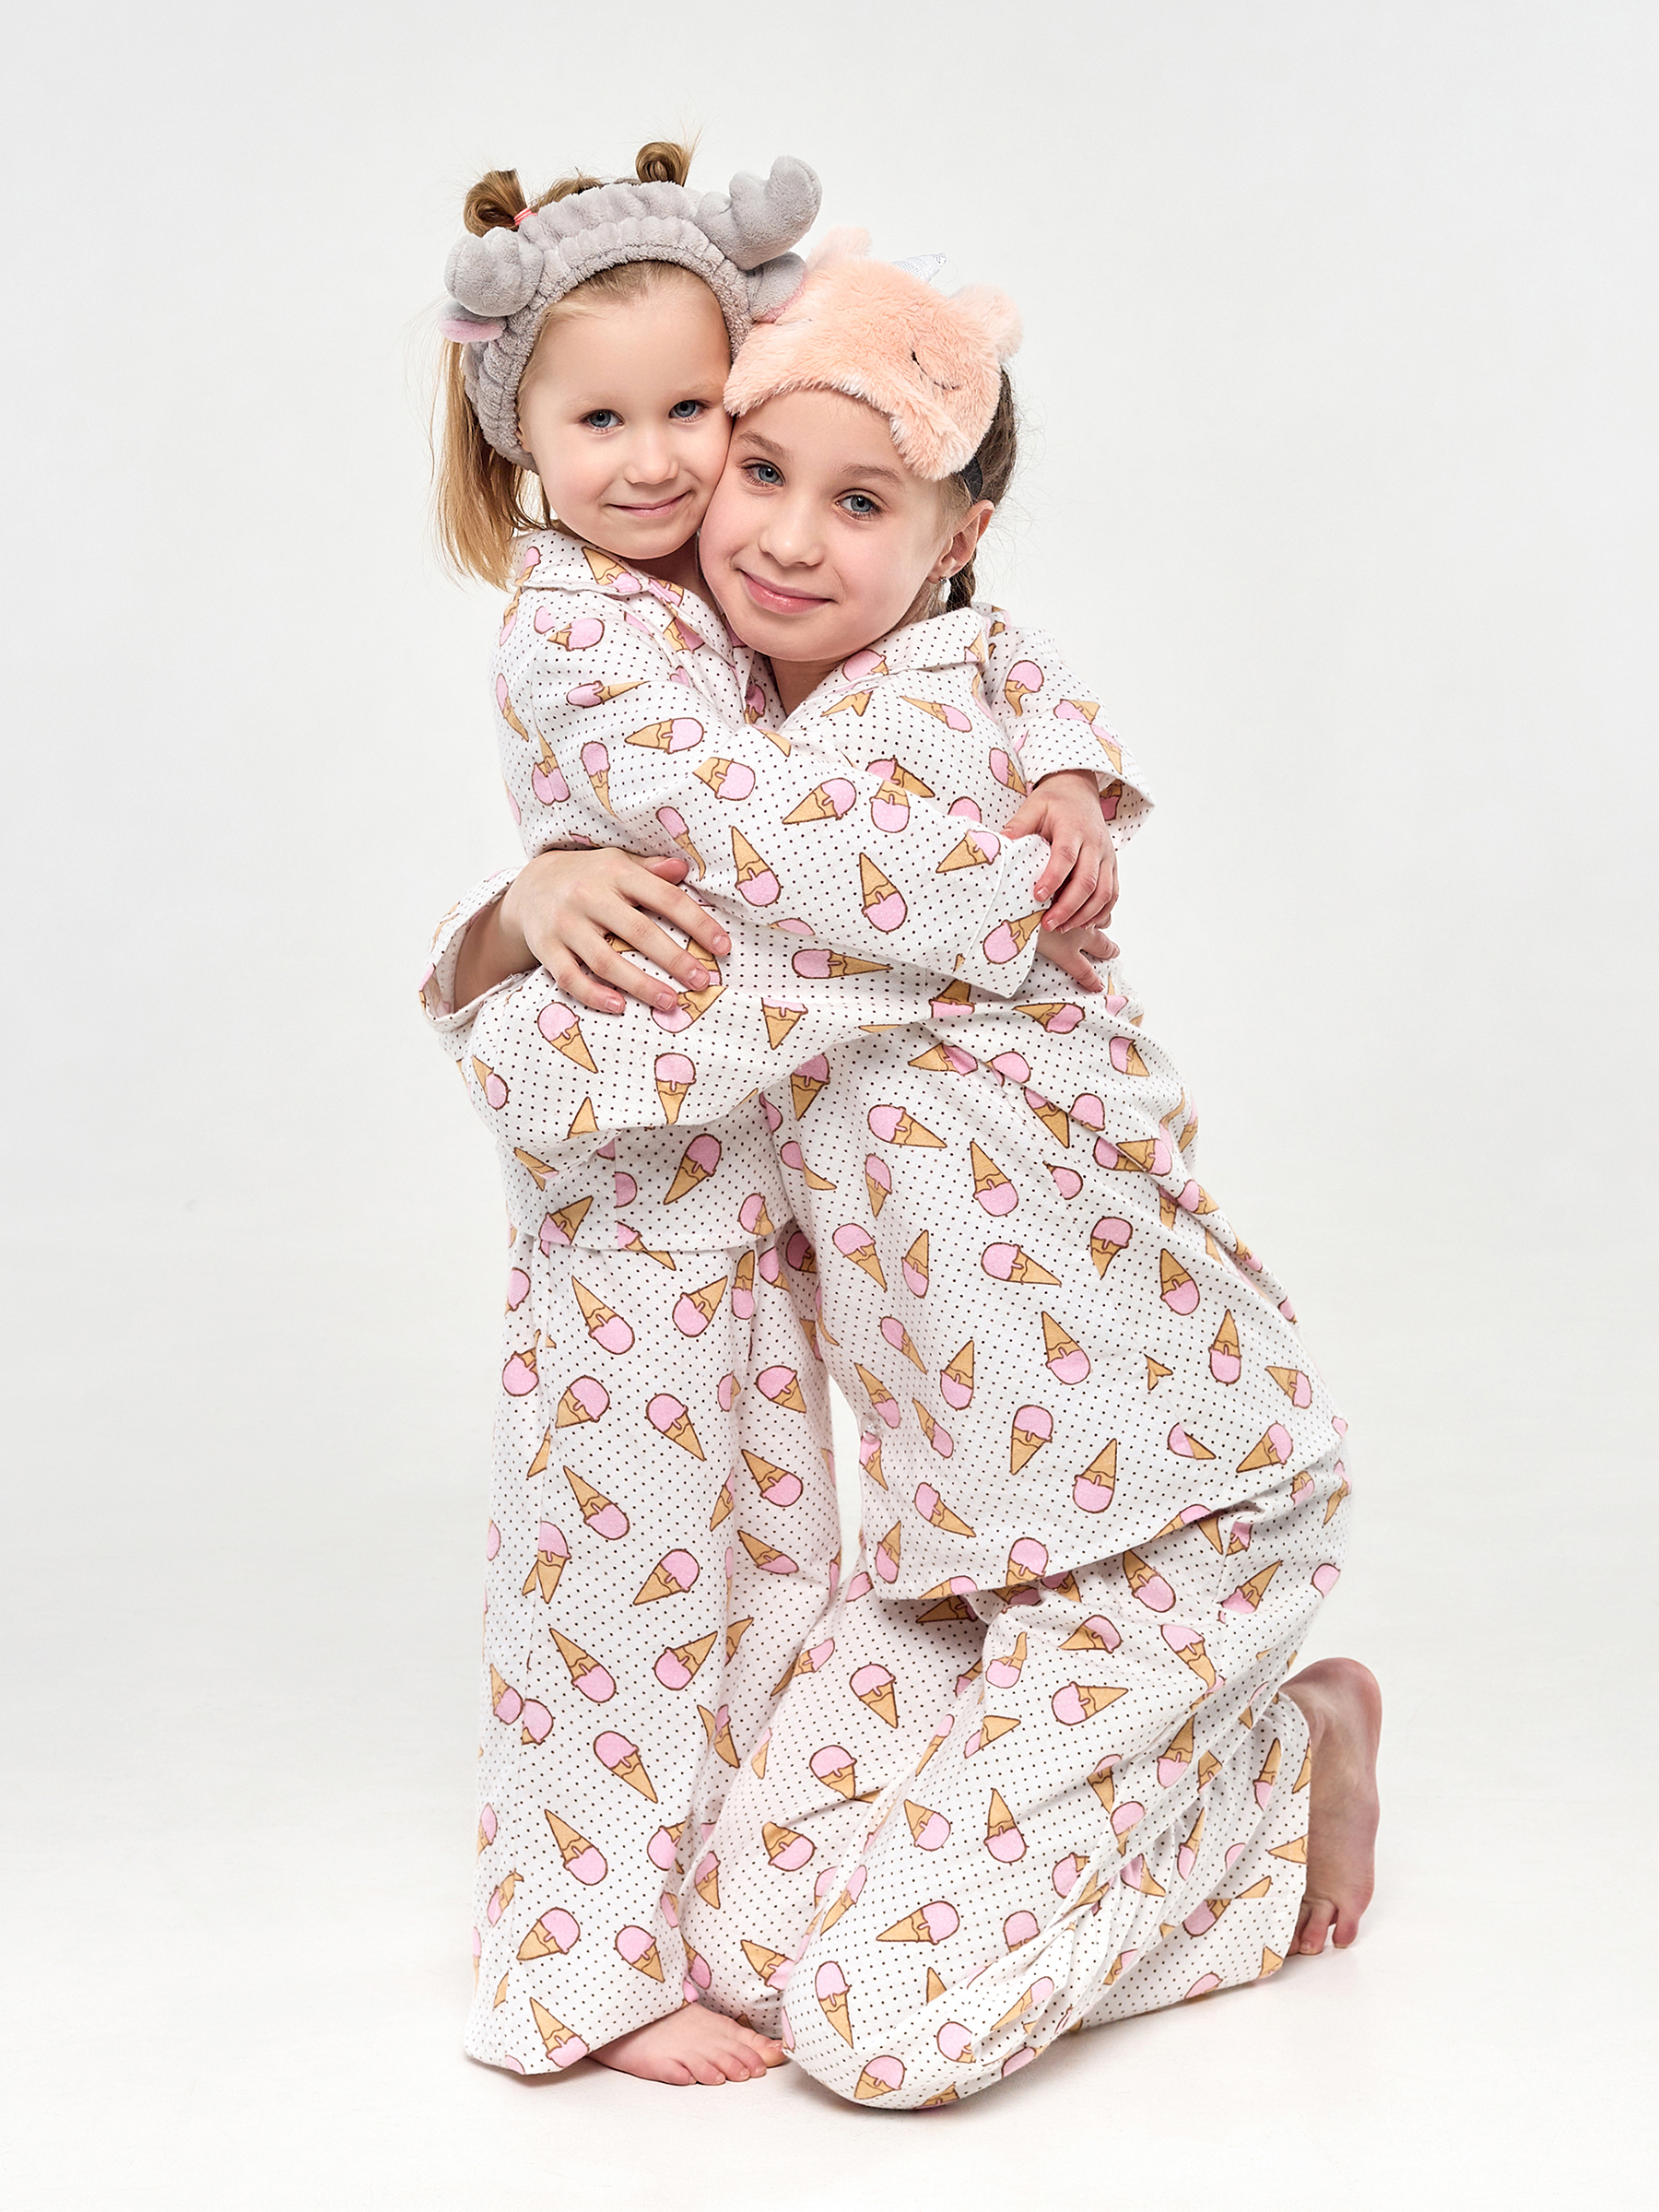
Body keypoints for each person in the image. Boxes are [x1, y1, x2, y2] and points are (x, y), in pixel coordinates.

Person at [427, 227, 1381, 2107]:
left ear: (958, 539)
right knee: (743, 1953)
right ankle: (1124, 1789)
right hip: (961, 1548)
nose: (784, 536)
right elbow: (754, 856)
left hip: (1168, 1509)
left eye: (857, 501)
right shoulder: (787, 717)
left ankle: (1281, 1779)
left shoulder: (909, 782)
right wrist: (524, 902)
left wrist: (490, 962)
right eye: (758, 468)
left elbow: (588, 1053)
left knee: (872, 2038)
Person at [427, 140, 851, 2089]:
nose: (660, 457)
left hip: (750, 1174)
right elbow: (739, 825)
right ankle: (573, 1972)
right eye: (602, 421)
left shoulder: (727, 597)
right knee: (620, 1576)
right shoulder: (583, 626)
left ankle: (725, 1912)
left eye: (696, 407)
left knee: (774, 1556)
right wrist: (516, 912)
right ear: (517, 436)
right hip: (633, 1190)